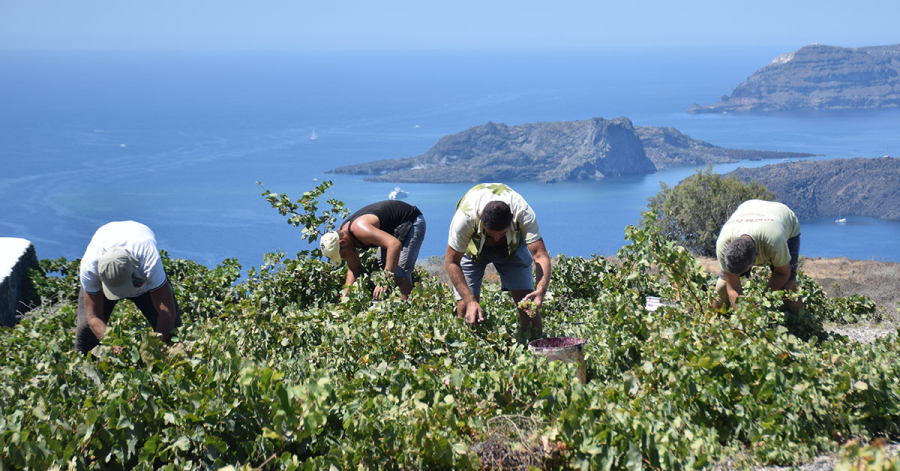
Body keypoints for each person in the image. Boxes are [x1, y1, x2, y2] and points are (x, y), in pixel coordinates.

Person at [444, 183, 551, 338]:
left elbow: (540, 255)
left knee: (527, 302)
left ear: (512, 219)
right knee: (464, 304)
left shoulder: (523, 211)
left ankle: (535, 346)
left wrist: (541, 290)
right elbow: (451, 261)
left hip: (512, 246)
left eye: (502, 233)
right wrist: (470, 300)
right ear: (481, 217)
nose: (495, 238)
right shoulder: (465, 217)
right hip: (473, 248)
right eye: (491, 233)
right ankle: (467, 348)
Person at [76, 221, 181, 355]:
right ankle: (83, 367)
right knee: (86, 331)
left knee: (173, 331)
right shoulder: (89, 268)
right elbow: (94, 317)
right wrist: (113, 344)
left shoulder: (148, 260)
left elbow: (166, 310)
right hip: (106, 241)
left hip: (144, 284)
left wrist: (156, 350)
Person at [320, 200, 426, 300]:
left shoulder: (360, 230)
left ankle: (406, 313)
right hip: (392, 230)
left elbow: (394, 245)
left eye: (341, 254)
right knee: (380, 266)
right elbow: (354, 269)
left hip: (411, 221)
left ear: (342, 243)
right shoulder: (344, 239)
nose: (343, 258)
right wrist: (345, 296)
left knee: (399, 275)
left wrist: (385, 279)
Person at [714, 199, 803, 312]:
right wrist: (744, 316)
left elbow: (783, 273)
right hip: (749, 207)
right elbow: (733, 288)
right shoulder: (723, 244)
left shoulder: (774, 241)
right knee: (722, 288)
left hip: (782, 218)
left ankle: (805, 325)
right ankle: (710, 324)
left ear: (757, 256)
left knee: (788, 287)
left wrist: (762, 302)